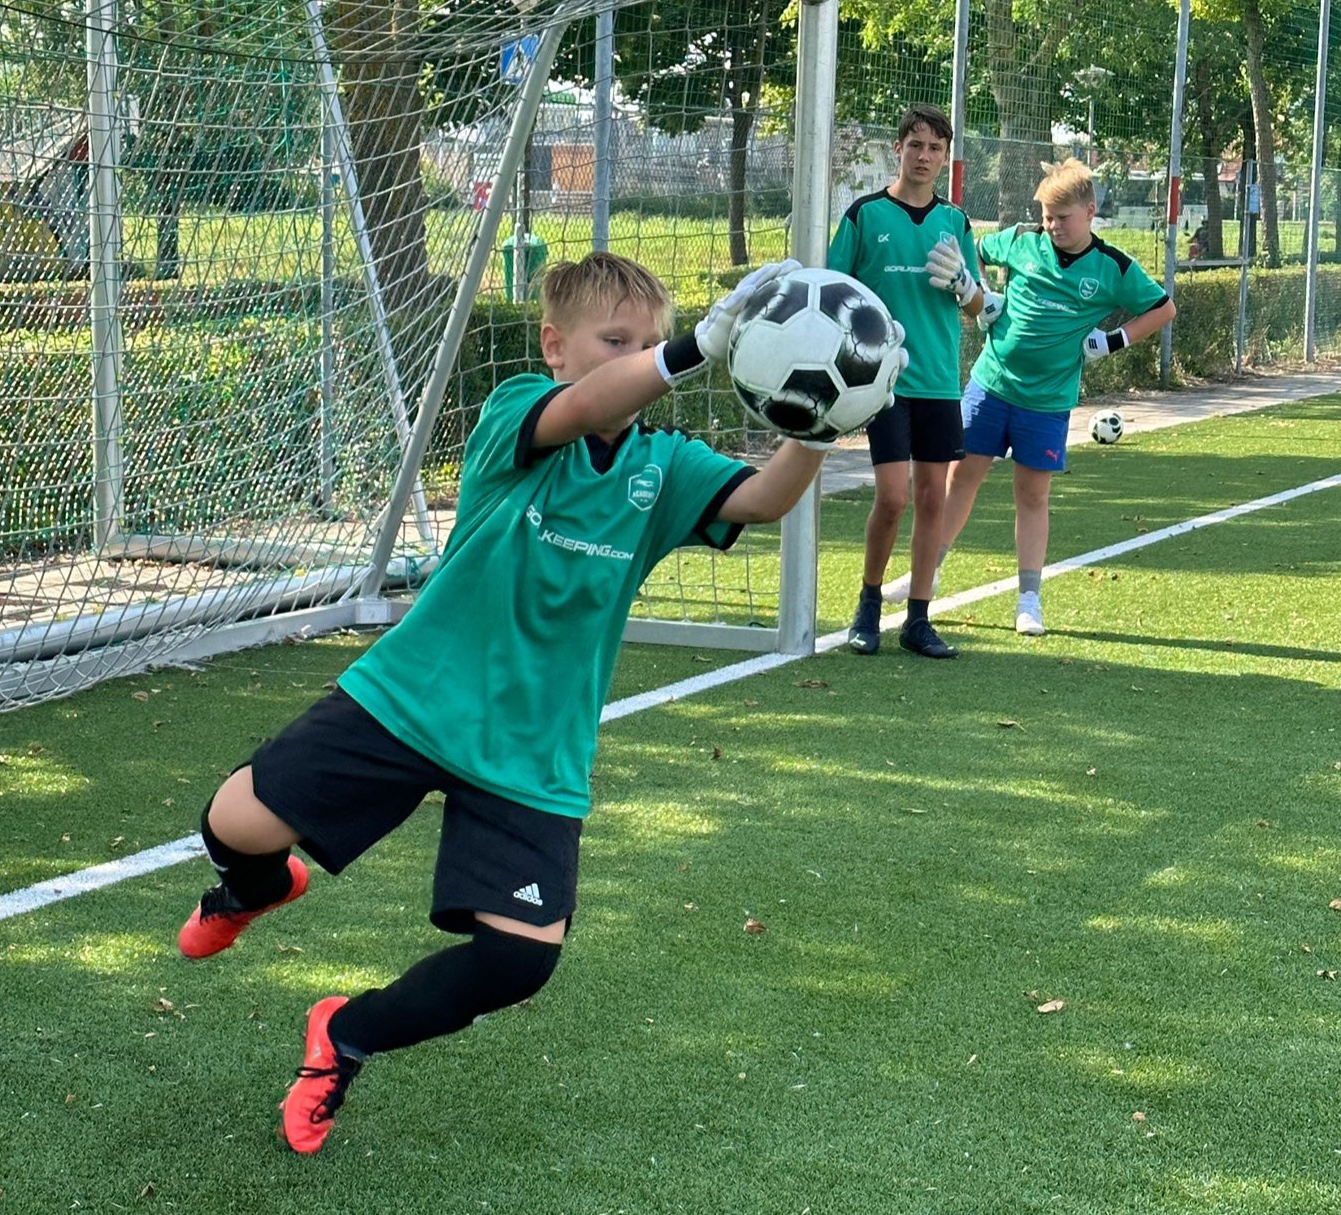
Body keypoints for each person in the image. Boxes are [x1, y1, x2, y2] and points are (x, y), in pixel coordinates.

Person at [174, 251, 854, 1155]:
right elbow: (581, 408)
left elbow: (765, 497)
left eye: (649, 341)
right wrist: (692, 348)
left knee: (518, 960)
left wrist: (825, 419)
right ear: (556, 346)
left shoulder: (666, 467)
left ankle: (344, 1034)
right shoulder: (517, 417)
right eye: (617, 341)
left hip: (534, 747)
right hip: (414, 698)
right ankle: (259, 887)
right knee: (231, 823)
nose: (638, 358)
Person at [934, 157, 1177, 635]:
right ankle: (929, 571)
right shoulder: (1024, 241)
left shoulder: (1112, 267)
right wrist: (980, 293)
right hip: (990, 382)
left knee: (1032, 494)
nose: (1052, 226)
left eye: (1061, 218)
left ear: (1089, 212)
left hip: (1046, 402)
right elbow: (974, 250)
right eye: (1046, 216)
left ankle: (1029, 600)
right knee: (960, 476)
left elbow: (1163, 307)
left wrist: (1114, 341)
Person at [827, 103, 987, 660]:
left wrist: (966, 285)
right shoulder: (865, 215)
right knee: (893, 497)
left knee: (931, 499)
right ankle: (868, 603)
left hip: (940, 381)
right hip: (883, 382)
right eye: (915, 145)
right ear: (897, 149)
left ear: (946, 158)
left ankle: (918, 619)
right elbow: (832, 294)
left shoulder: (955, 222)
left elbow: (979, 309)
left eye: (935, 148)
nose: (924, 156)